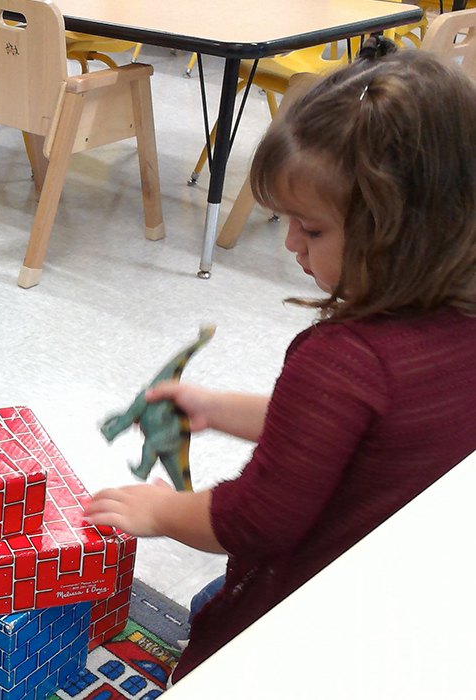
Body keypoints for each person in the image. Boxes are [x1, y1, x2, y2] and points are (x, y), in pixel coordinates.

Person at [85, 39, 476, 682]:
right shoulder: (451, 321)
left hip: (310, 610)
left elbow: (256, 519)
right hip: (407, 596)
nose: (290, 242)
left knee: (216, 636)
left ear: (405, 227)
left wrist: (160, 511)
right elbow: (343, 433)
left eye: (312, 228)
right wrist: (215, 408)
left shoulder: (344, 357)